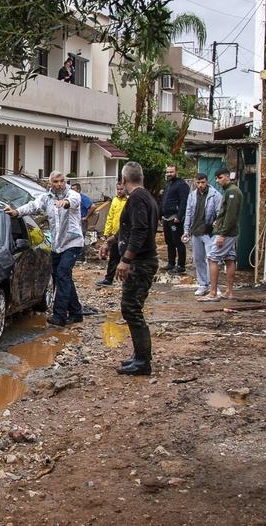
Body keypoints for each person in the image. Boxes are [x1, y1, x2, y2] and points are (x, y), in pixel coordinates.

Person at [7, 171, 84, 327]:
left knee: (62, 274)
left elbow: (73, 201)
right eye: (55, 181)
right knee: (61, 277)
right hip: (57, 245)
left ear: (65, 181)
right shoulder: (46, 198)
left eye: (61, 181)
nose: (59, 184)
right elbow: (33, 206)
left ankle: (59, 315)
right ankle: (76, 312)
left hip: (72, 242)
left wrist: (65, 202)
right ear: (50, 183)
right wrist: (16, 212)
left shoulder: (72, 194)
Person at [114, 161, 159, 375]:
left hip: (141, 262)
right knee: (132, 308)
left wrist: (126, 260)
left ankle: (142, 361)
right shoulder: (146, 197)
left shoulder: (137, 198)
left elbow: (139, 230)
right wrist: (111, 241)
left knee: (131, 308)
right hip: (143, 261)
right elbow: (131, 228)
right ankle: (139, 355)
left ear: (124, 180)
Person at [198, 167, 242, 301]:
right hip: (228, 230)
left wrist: (222, 234)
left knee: (212, 257)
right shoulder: (229, 191)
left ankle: (213, 293)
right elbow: (226, 214)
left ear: (227, 177)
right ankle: (229, 292)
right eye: (216, 178)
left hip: (227, 232)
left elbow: (231, 216)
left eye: (220, 177)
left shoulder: (232, 191)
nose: (217, 180)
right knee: (229, 258)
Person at [181, 172, 220, 295]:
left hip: (209, 232)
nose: (200, 185)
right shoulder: (192, 195)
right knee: (198, 260)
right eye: (198, 182)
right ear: (195, 182)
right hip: (195, 231)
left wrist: (216, 226)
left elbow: (220, 213)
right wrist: (186, 230)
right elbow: (188, 213)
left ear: (207, 181)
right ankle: (203, 284)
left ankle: (213, 285)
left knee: (211, 259)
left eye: (202, 182)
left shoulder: (215, 195)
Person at [160, 165, 189, 274]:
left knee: (178, 242)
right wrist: (160, 214)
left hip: (175, 218)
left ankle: (181, 265)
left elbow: (184, 202)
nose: (169, 174)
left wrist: (179, 216)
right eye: (167, 172)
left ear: (176, 172)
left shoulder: (182, 185)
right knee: (169, 242)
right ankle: (171, 263)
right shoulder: (167, 185)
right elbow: (163, 201)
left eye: (171, 172)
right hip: (166, 218)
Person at [96, 182, 127, 287]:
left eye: (121, 189)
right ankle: (108, 279)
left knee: (127, 258)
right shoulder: (114, 200)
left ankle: (127, 281)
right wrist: (106, 232)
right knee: (113, 258)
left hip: (126, 234)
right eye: (118, 189)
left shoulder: (129, 200)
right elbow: (110, 217)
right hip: (114, 235)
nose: (119, 191)